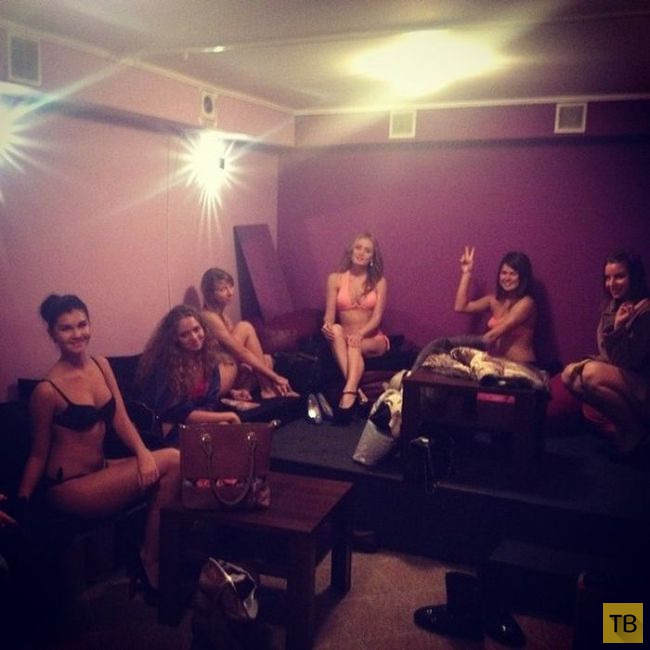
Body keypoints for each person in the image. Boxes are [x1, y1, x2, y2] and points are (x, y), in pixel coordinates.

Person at [14, 294, 180, 595]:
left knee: (173, 463)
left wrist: (143, 453)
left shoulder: (101, 365)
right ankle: (150, 561)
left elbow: (121, 418)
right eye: (66, 328)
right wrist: (22, 503)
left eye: (82, 324)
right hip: (69, 487)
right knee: (173, 460)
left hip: (101, 470)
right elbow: (38, 453)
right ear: (53, 334)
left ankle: (152, 553)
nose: (77, 334)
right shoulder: (47, 390)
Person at [561, 251, 650, 455]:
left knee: (591, 374)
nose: (612, 284)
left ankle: (634, 431)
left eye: (619, 276)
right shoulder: (613, 307)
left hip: (643, 386)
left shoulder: (645, 311)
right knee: (569, 375)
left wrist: (618, 328)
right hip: (626, 380)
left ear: (634, 277)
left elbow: (626, 362)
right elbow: (607, 353)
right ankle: (625, 427)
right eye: (608, 278)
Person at [136, 304, 242, 442]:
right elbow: (176, 413)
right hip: (168, 429)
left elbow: (210, 402)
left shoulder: (208, 358)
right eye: (184, 335)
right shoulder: (166, 366)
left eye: (196, 329)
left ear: (203, 328)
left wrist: (215, 421)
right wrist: (228, 416)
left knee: (225, 429)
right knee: (222, 429)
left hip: (196, 423)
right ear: (174, 339)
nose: (194, 337)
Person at [200, 268, 298, 399]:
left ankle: (243, 390)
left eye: (231, 286)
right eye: (222, 289)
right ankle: (267, 389)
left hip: (229, 365)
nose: (230, 293)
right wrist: (275, 377)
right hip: (217, 372)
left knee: (265, 359)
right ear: (210, 294)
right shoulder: (209, 316)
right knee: (245, 327)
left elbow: (241, 353)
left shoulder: (224, 317)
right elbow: (239, 351)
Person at [322, 232, 389, 422]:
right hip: (345, 338)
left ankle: (350, 394)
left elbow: (377, 318)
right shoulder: (335, 279)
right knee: (336, 330)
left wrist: (360, 333)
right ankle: (355, 392)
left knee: (354, 343)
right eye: (358, 247)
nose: (361, 253)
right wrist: (326, 326)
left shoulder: (379, 282)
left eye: (367, 250)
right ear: (351, 250)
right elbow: (329, 315)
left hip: (372, 339)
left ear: (372, 257)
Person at [454, 247, 537, 364]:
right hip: (498, 364)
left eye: (513, 274)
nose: (507, 278)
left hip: (522, 366)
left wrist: (451, 344)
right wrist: (466, 272)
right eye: (504, 273)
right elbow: (460, 306)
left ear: (523, 277)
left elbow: (494, 335)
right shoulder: (493, 300)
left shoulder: (527, 303)